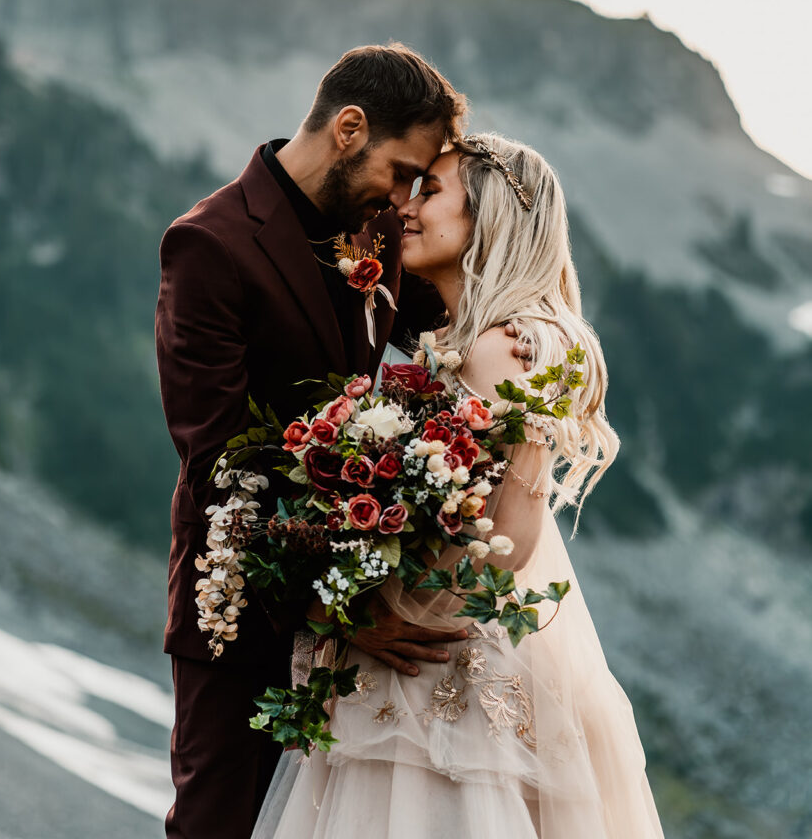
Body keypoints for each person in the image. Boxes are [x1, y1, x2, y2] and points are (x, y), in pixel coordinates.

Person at [252, 133, 666, 838]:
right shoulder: (490, 337)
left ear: (490, 218)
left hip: (430, 665)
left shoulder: (499, 347)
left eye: (431, 192)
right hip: (436, 650)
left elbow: (509, 539)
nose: (405, 209)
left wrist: (379, 609)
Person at [155, 43, 474, 839]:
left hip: (361, 598)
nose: (405, 201)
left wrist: (525, 336)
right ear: (348, 127)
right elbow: (220, 458)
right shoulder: (209, 244)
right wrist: (329, 608)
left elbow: (451, 323)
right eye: (401, 172)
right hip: (244, 603)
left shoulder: (373, 228)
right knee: (217, 824)